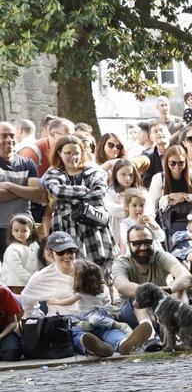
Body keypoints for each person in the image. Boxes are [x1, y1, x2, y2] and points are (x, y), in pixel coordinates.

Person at [21, 231, 152, 357]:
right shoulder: (41, 277)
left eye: (70, 251)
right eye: (61, 252)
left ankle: (123, 343)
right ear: (50, 253)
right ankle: (93, 349)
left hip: (94, 313)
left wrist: (106, 309)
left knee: (107, 328)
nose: (67, 256)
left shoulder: (86, 268)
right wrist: (39, 316)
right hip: (69, 321)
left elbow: (102, 289)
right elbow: (26, 299)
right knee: (76, 334)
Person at [41, 135, 117, 270]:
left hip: (92, 224)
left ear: (82, 153)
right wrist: (83, 190)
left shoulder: (94, 171)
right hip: (66, 226)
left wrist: (69, 197)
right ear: (59, 153)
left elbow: (98, 196)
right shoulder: (54, 174)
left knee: (99, 268)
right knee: (70, 269)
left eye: (76, 153)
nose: (73, 156)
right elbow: (57, 191)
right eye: (68, 153)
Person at [0, 121, 44, 257]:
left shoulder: (27, 163)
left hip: (25, 227)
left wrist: (9, 186)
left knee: (31, 265)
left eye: (12, 135)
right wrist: (25, 190)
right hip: (1, 227)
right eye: (4, 136)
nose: (9, 140)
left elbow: (38, 195)